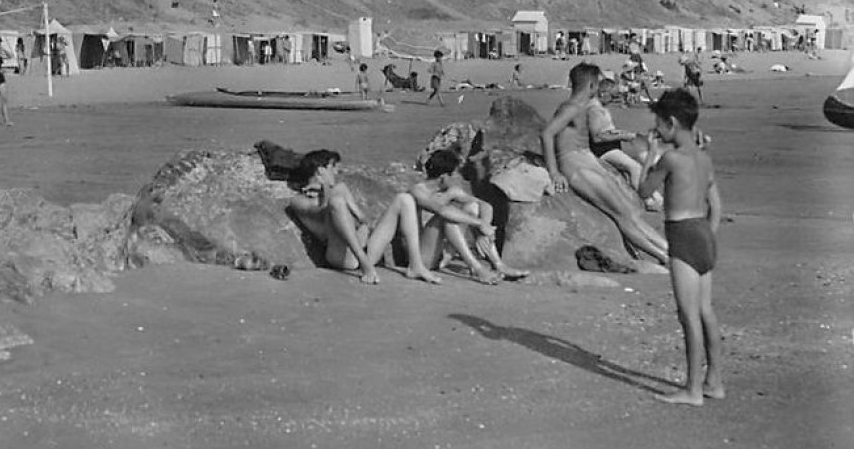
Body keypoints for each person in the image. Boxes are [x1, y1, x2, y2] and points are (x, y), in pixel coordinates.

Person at [637, 88, 724, 406]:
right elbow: (717, 207)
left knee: (688, 316)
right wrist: (709, 236)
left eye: (659, 125)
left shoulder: (670, 158)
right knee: (706, 311)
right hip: (703, 231)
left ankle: (692, 389)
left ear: (671, 123)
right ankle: (714, 380)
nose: (657, 131)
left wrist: (650, 152)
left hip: (682, 235)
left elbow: (644, 190)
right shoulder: (704, 158)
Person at [542, 62, 669, 265]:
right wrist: (554, 172)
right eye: (598, 84)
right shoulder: (571, 108)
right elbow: (547, 133)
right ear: (591, 86)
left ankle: (667, 249)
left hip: (586, 159)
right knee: (621, 214)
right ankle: (663, 256)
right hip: (574, 163)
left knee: (628, 210)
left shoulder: (581, 107)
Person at [286, 150, 442, 285]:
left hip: (363, 245)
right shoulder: (298, 200)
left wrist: (365, 225)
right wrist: (327, 187)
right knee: (337, 200)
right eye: (332, 168)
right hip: (342, 255)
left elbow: (363, 218)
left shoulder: (339, 189)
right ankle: (365, 265)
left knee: (404, 199)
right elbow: (323, 210)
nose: (336, 172)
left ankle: (416, 265)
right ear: (321, 171)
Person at [409, 150, 529, 284]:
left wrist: (484, 228)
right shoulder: (418, 191)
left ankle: (499, 264)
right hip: (422, 256)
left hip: (442, 251)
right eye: (454, 174)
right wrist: (479, 224)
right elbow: (443, 211)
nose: (457, 178)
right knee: (449, 216)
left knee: (472, 206)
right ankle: (476, 267)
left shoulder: (450, 191)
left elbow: (485, 205)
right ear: (443, 177)